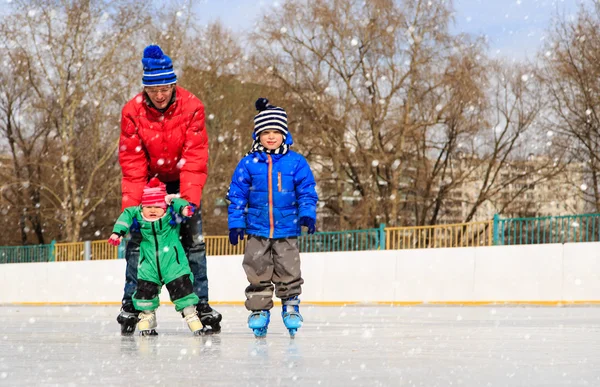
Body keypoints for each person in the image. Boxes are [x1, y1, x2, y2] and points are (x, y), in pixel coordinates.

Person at [116, 44, 221, 336]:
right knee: (137, 243)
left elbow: (195, 158)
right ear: (145, 89)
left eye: (165, 87)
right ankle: (132, 304)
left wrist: (186, 203)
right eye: (153, 90)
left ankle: (200, 304)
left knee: (194, 243)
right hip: (148, 184)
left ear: (173, 84)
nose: (160, 95)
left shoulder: (192, 107)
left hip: (183, 179)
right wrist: (134, 209)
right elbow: (133, 164)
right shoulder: (132, 112)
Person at [226, 98, 318, 338]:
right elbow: (236, 195)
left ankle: (290, 304)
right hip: (256, 228)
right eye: (265, 131)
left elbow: (307, 190)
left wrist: (308, 214)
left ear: (284, 134)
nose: (271, 136)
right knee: (257, 269)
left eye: (276, 131)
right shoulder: (248, 163)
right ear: (257, 134)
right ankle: (259, 310)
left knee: (289, 268)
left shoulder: (296, 162)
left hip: (287, 228)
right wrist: (236, 223)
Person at [108, 178, 204, 336]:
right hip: (149, 264)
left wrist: (184, 208)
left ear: (164, 207)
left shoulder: (170, 218)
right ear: (142, 207)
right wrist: (117, 233)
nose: (152, 210)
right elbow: (127, 214)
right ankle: (148, 316)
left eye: (157, 207)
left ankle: (191, 315)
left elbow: (177, 202)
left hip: (173, 263)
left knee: (182, 289)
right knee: (145, 290)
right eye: (148, 207)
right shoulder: (139, 216)